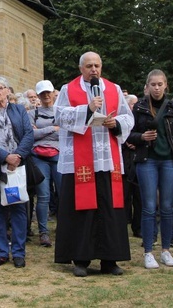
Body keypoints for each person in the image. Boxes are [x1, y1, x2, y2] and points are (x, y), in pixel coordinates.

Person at [54, 52, 134, 276]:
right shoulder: (68, 89)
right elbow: (60, 116)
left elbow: (128, 118)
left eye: (97, 65)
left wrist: (114, 122)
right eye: (89, 66)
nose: (94, 70)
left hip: (107, 158)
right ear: (81, 68)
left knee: (110, 208)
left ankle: (110, 259)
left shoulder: (113, 89)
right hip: (79, 160)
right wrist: (87, 109)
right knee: (82, 209)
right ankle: (81, 259)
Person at [129, 69, 173, 270]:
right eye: (153, 84)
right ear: (147, 87)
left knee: (167, 206)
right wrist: (141, 138)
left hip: (169, 161)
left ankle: (165, 250)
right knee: (148, 206)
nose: (156, 88)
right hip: (147, 161)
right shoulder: (139, 107)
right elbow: (128, 133)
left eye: (160, 84)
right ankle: (148, 251)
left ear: (166, 85)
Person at [0, 76, 34, 268]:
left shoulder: (19, 110)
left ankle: (19, 253)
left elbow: (28, 134)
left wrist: (17, 156)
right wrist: (5, 157)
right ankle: (2, 252)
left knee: (18, 208)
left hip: (17, 168)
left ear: (8, 91)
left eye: (0, 88)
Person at [29, 80, 61, 248]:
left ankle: (64, 229)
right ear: (38, 95)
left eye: (48, 92)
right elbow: (31, 135)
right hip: (38, 156)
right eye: (42, 93)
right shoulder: (31, 113)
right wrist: (53, 129)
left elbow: (65, 134)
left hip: (59, 156)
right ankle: (44, 232)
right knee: (43, 195)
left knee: (63, 194)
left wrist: (41, 131)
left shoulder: (62, 112)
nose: (46, 95)